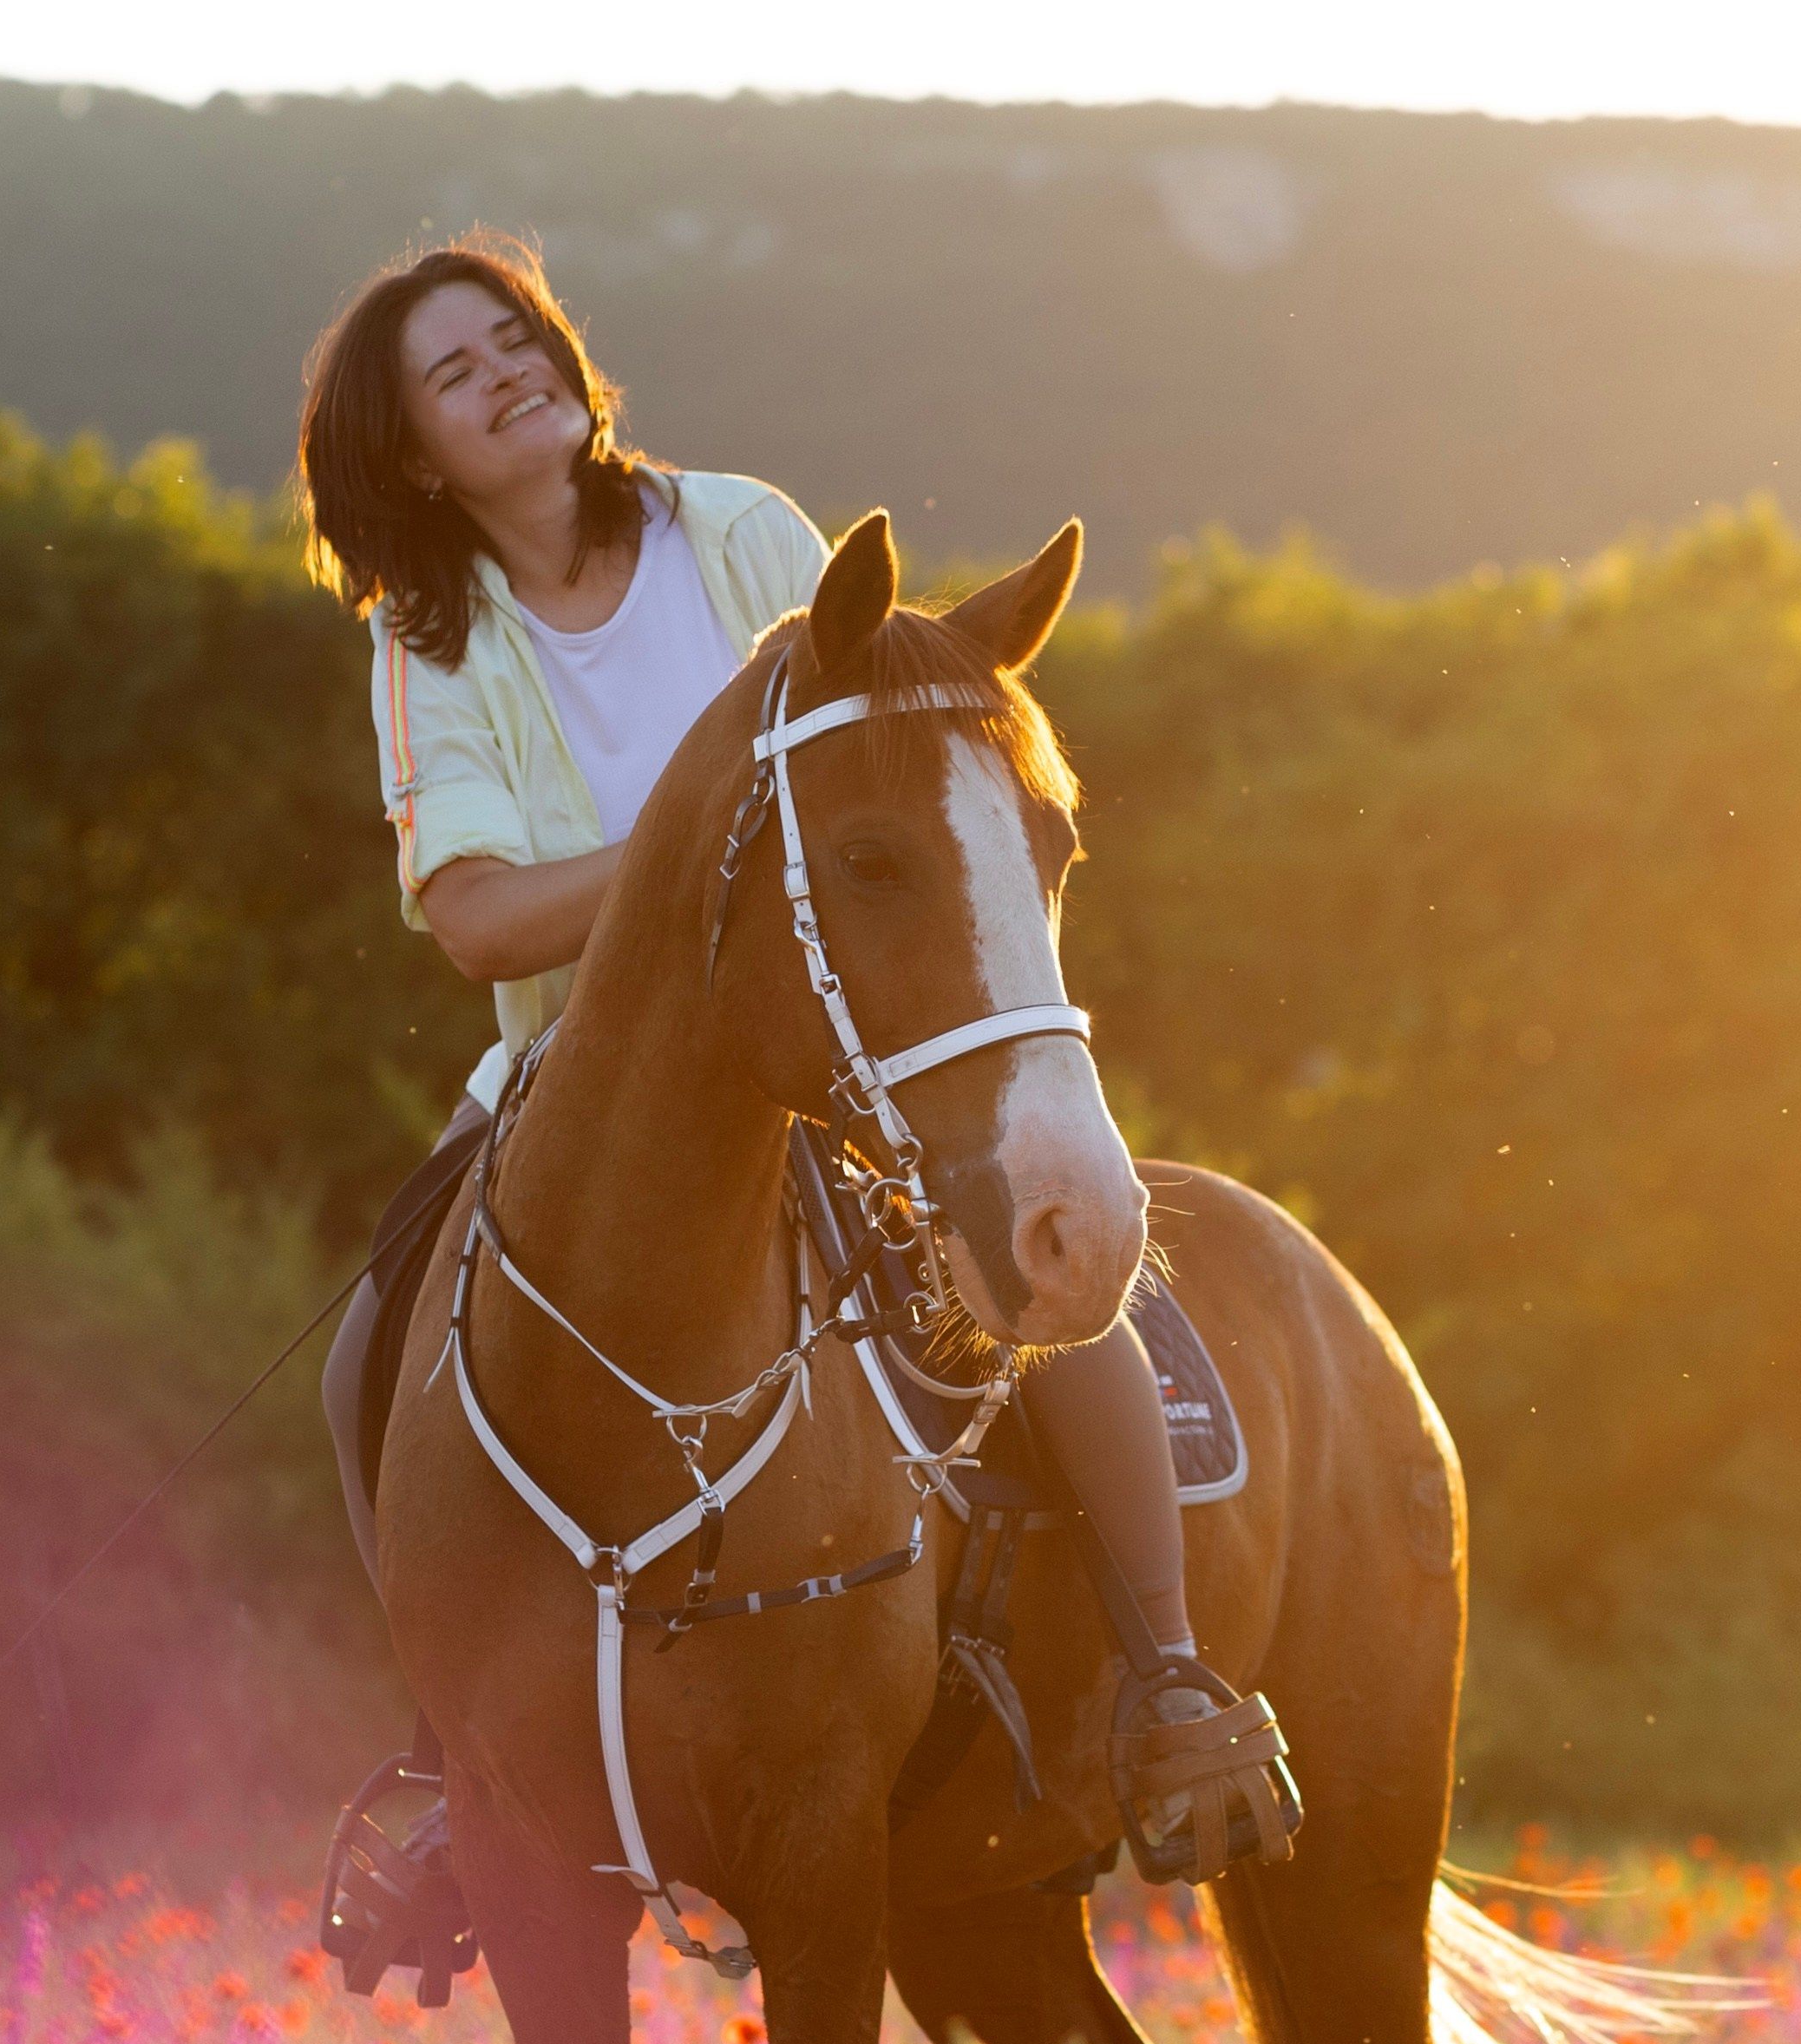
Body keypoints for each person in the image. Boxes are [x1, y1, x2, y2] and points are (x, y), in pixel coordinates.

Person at [298, 233, 1288, 1888]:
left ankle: (1176, 1676)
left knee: (1045, 1282)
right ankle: (460, 1759)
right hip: (581, 1097)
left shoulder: (742, 532)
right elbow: (473, 922)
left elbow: (883, 755)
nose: (505, 375)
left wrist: (767, 865)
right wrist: (702, 849)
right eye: (454, 375)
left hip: (830, 1061)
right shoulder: (432, 638)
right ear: (411, 454)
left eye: (516, 340)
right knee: (362, 1361)